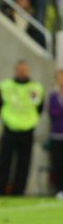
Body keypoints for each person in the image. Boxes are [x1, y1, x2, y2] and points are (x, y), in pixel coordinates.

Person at [0, 60, 44, 196]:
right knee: (4, 161)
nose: (22, 71)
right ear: (15, 70)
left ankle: (18, 192)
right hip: (9, 129)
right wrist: (9, 119)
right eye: (20, 69)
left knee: (24, 164)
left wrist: (27, 120)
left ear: (28, 70)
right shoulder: (5, 86)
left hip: (28, 130)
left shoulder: (36, 88)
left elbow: (39, 107)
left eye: (24, 69)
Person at [49, 69, 63, 200]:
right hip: (57, 135)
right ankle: (59, 189)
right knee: (57, 163)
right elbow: (53, 113)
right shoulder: (53, 96)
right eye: (59, 78)